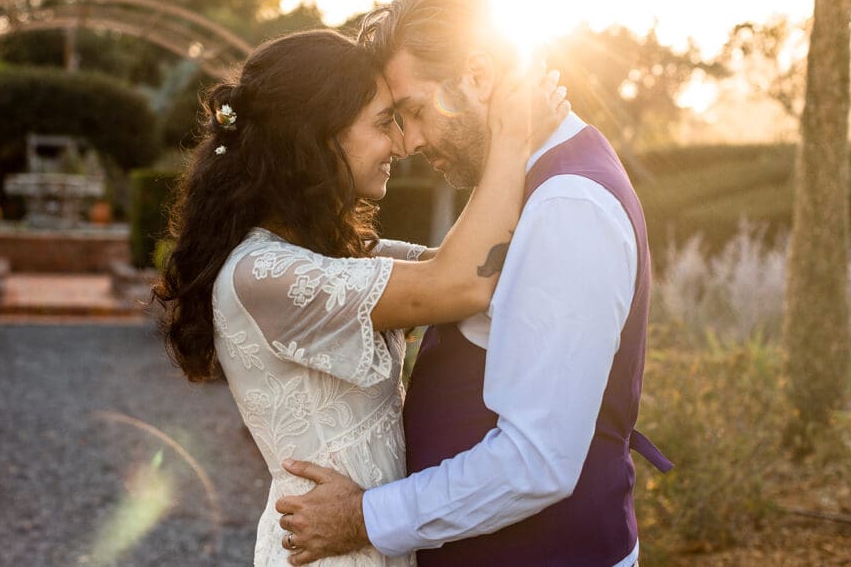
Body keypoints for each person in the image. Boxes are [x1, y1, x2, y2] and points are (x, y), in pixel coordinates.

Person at [275, 0, 672, 566]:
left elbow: (535, 461)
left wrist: (364, 518)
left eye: (412, 111)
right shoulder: (525, 186)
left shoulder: (567, 205)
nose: (406, 143)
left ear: (480, 77)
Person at [153, 28, 567, 565]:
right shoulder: (262, 273)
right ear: (318, 136)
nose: (399, 143)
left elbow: (469, 262)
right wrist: (511, 138)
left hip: (367, 534)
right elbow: (459, 283)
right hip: (327, 550)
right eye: (381, 123)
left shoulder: (333, 252)